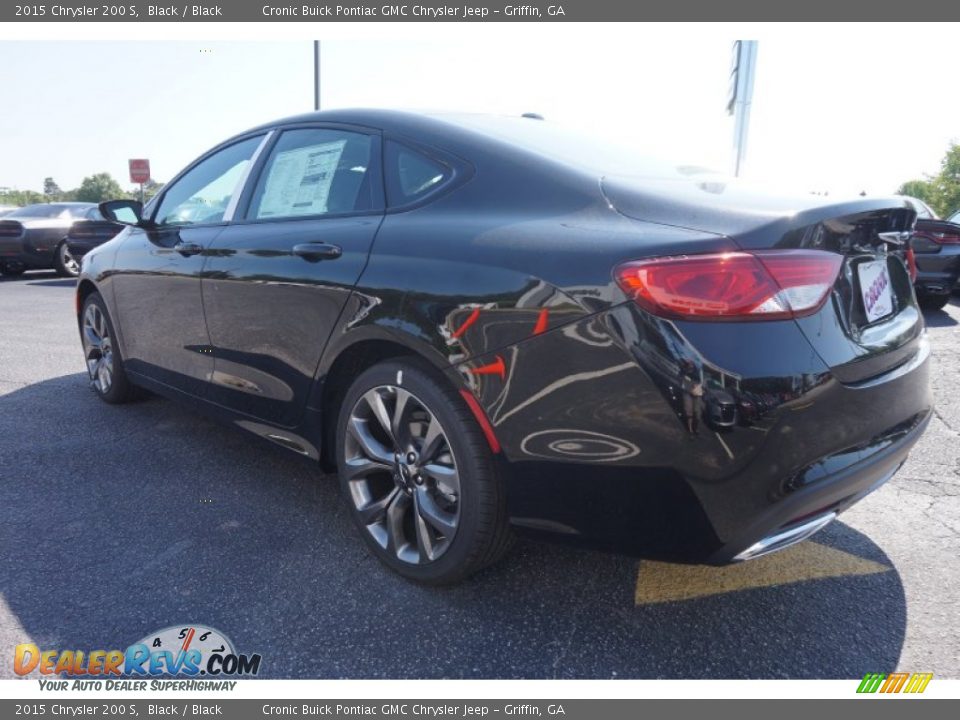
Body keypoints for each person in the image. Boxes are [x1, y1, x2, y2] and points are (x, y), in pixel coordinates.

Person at [680, 362, 704, 437]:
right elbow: (681, 382)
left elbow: (700, 381)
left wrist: (698, 386)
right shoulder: (682, 372)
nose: (690, 366)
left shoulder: (697, 372)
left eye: (692, 364)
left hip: (696, 393)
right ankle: (690, 431)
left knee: (697, 413)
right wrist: (689, 389)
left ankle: (696, 428)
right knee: (689, 412)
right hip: (687, 393)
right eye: (689, 365)